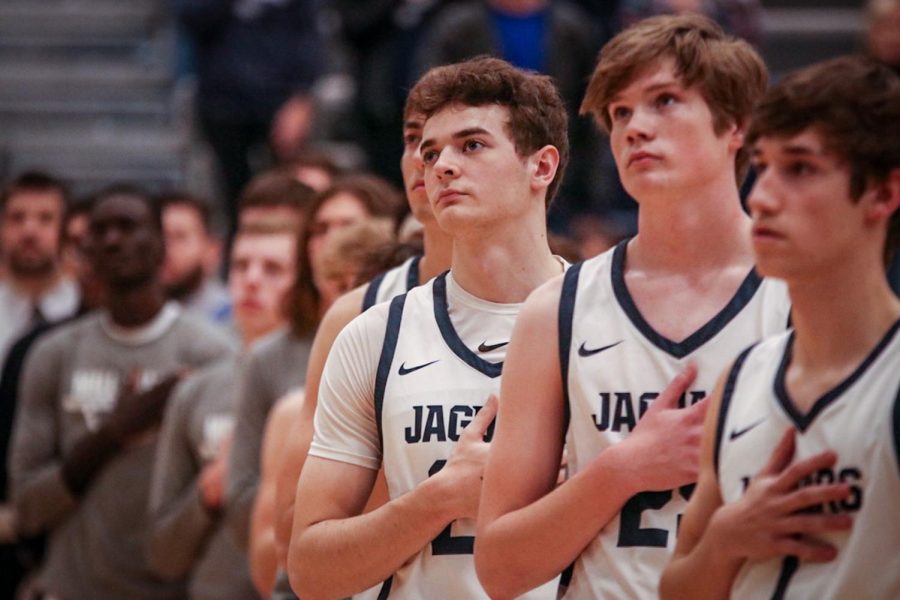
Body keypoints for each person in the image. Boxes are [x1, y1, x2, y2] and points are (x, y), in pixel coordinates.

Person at [474, 14, 791, 599]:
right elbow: (500, 567)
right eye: (619, 112)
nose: (635, 127)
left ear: (737, 126)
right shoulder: (557, 310)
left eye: (664, 101)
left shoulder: (801, 296)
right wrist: (624, 470)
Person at [288, 55, 569, 599]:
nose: (439, 166)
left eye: (472, 145)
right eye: (429, 150)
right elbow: (309, 570)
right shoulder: (374, 334)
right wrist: (441, 498)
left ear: (541, 166)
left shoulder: (604, 321)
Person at [660, 55, 900, 600]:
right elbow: (676, 591)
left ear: (883, 195)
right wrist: (725, 541)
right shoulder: (743, 378)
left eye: (800, 168)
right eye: (762, 165)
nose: (762, 197)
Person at [260, 104, 455, 599]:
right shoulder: (357, 314)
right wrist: (427, 486)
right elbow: (291, 533)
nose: (430, 161)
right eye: (417, 142)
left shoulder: (562, 303)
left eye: (466, 144)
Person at [8, 186, 234, 599]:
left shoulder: (212, 354)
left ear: (160, 244)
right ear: (86, 249)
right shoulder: (52, 354)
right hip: (72, 588)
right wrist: (113, 432)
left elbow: (220, 497)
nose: (114, 239)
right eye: (101, 230)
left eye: (129, 227)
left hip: (175, 591)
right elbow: (26, 507)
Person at [224, 173, 406, 554]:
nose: (332, 240)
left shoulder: (409, 330)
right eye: (319, 229)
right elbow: (242, 496)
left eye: (347, 226)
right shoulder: (271, 356)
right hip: (296, 551)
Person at [148, 219, 298, 600]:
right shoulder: (196, 391)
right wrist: (206, 494)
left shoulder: (328, 383)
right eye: (241, 266)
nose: (251, 280)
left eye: (273, 269)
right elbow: (161, 554)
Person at [0, 172, 79, 367]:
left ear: (65, 229)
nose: (29, 231)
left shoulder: (86, 308)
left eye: (45, 218)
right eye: (17, 218)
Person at [159, 192, 231, 324]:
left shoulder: (232, 318)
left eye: (179, 237)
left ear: (212, 250)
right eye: (159, 236)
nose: (165, 248)